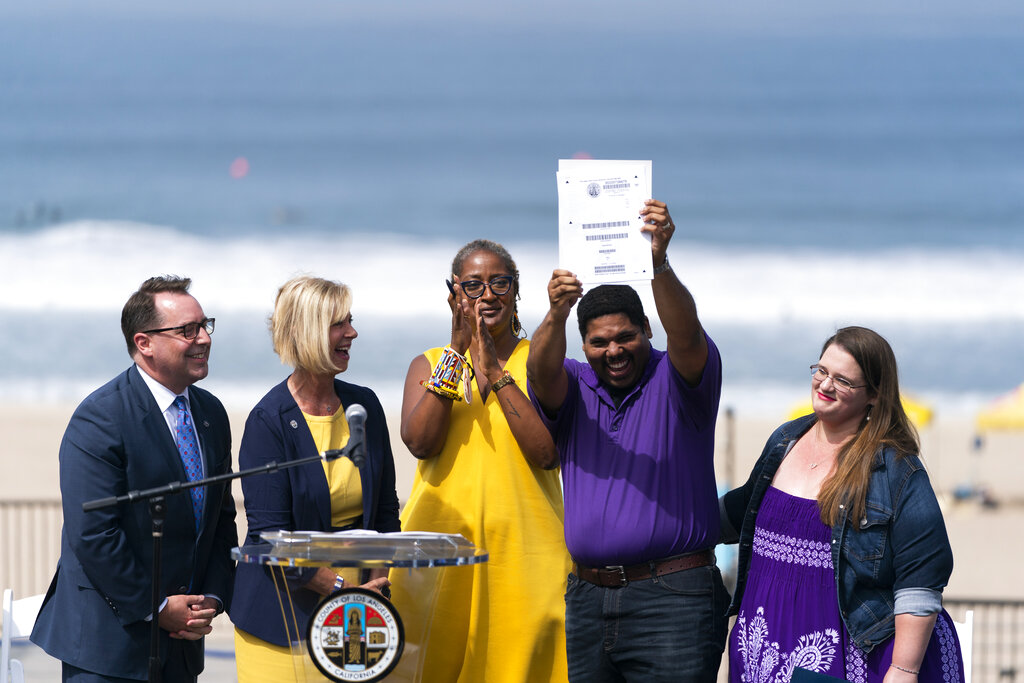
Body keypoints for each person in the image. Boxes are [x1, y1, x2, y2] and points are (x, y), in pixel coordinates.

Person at [526, 199, 729, 682]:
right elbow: (538, 370)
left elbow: (686, 333)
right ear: (584, 347)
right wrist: (557, 312)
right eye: (599, 342)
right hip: (587, 598)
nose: (613, 350)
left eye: (625, 337)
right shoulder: (575, 383)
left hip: (673, 596)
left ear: (647, 331)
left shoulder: (677, 378)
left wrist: (657, 263)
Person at [720, 326, 965, 682]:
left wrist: (904, 668)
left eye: (843, 380)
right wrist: (674, 520)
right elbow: (744, 510)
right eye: (820, 371)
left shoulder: (896, 469)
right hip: (764, 642)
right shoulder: (785, 439)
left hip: (858, 653)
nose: (825, 385)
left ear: (875, 396)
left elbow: (922, 575)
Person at [31, 275, 237, 682]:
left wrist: (210, 599)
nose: (204, 339)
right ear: (144, 343)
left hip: (181, 645)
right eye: (187, 330)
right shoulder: (101, 417)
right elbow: (93, 533)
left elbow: (219, 518)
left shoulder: (211, 413)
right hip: (108, 647)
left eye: (205, 325)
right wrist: (157, 608)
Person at [388, 239, 570, 682]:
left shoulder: (540, 362)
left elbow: (547, 453)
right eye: (472, 286)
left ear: (516, 290)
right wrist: (456, 354)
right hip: (439, 552)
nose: (487, 295)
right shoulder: (428, 363)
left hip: (526, 551)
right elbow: (421, 442)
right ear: (454, 295)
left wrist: (495, 372)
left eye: (499, 283)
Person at [228, 275, 400, 682]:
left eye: (350, 320)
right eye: (339, 324)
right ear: (307, 332)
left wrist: (377, 583)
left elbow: (386, 510)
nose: (352, 332)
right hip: (281, 622)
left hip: (356, 614)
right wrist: (343, 589)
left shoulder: (364, 404)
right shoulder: (267, 421)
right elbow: (272, 539)